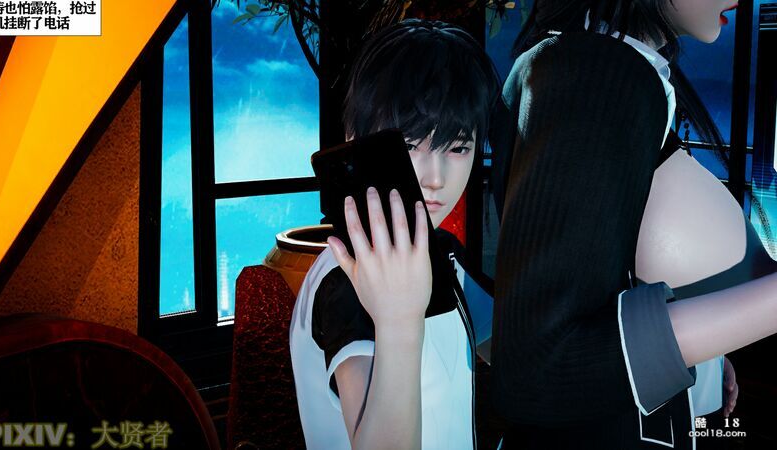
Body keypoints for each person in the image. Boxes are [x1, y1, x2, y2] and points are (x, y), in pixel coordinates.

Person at [489, 0, 777, 448]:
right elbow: (538, 368)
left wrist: (704, 348)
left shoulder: (598, 67)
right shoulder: (595, 74)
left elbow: (600, 272)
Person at [289, 19, 499, 450]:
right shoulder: (345, 280)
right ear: (356, 139)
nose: (436, 177)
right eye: (409, 144)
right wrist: (398, 321)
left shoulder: (439, 252)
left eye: (458, 148)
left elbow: (510, 345)